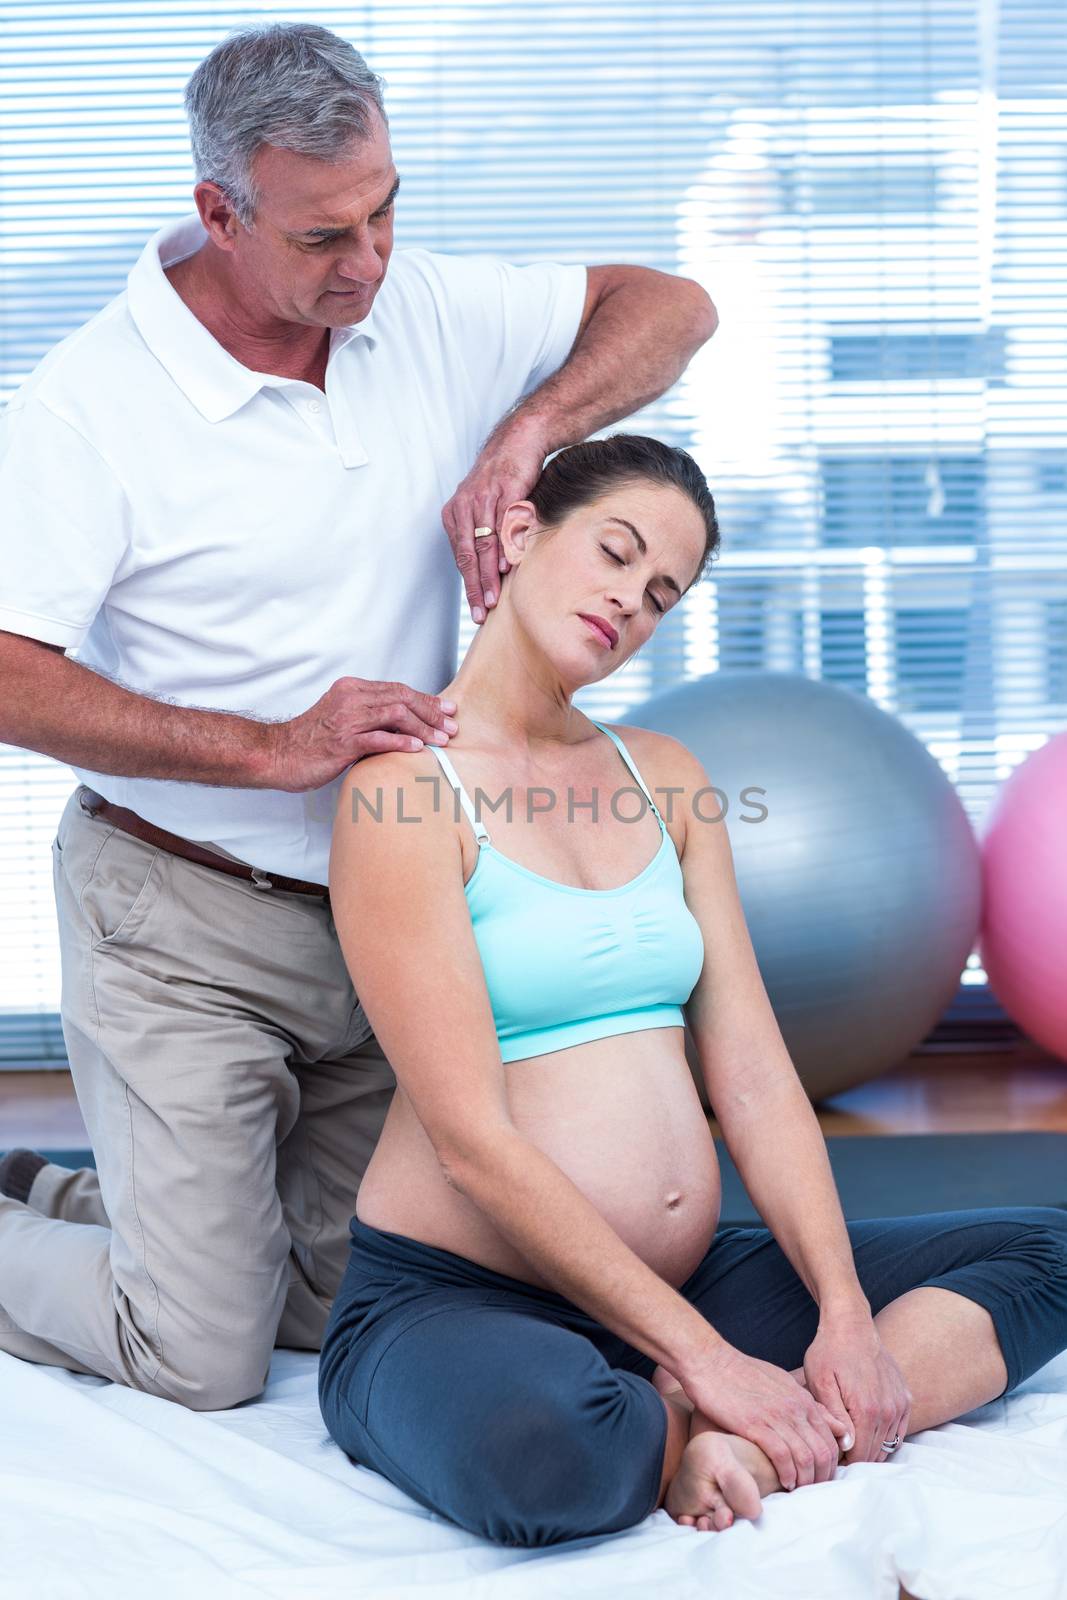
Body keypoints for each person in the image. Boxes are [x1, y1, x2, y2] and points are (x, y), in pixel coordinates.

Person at [0, 23, 718, 1408]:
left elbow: (672, 307)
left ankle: (108, 1210)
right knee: (199, 1356)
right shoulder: (89, 410)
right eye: (327, 236)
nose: (370, 261)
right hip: (180, 913)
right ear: (220, 212)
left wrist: (534, 426)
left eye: (387, 210)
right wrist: (270, 750)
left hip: (379, 914)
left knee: (357, 1301)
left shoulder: (418, 308)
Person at [317, 432, 1067, 1547]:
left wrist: (845, 1314)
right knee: (554, 1455)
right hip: (458, 1298)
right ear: (520, 536)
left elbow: (755, 1076)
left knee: (1044, 1249)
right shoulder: (401, 795)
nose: (628, 599)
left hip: (687, 1279)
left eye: (659, 592)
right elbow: (472, 1139)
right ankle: (676, 1409)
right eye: (613, 553)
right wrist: (708, 1359)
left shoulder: (663, 775)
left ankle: (738, 1442)